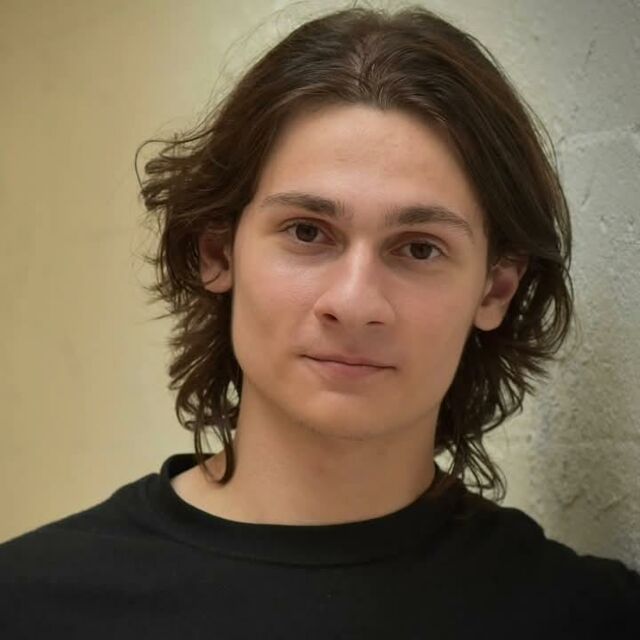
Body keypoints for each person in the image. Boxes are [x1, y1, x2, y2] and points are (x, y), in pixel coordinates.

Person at [1, 5, 638, 639]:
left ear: (495, 289)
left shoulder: (588, 618)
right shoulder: (30, 604)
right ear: (218, 252)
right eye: (307, 232)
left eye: (419, 248)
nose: (355, 302)